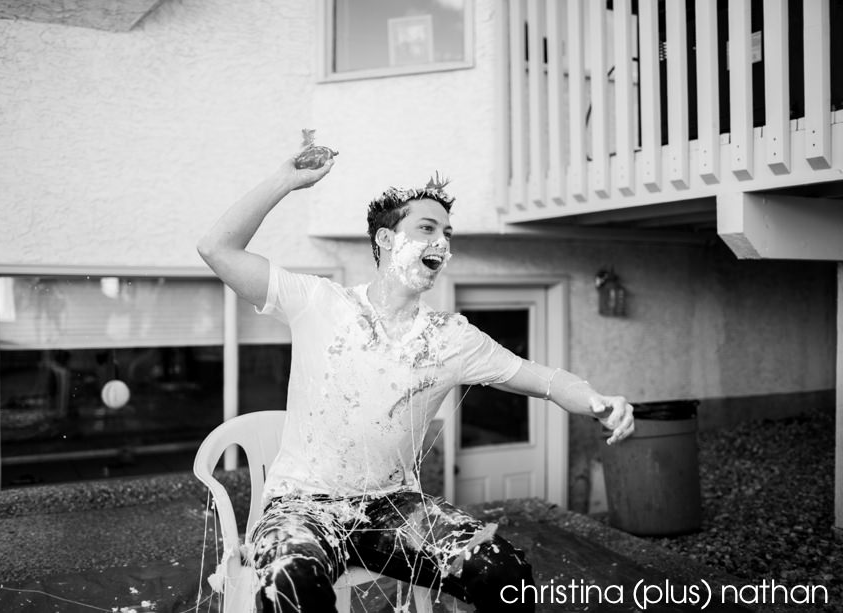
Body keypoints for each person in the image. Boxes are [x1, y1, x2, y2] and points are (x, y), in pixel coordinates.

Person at [197, 152, 635, 613]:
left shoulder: (451, 337)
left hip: (392, 506)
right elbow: (217, 249)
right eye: (427, 228)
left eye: (447, 233)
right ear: (386, 239)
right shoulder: (318, 301)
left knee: (502, 569)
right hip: (302, 506)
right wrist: (283, 181)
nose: (442, 242)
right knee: (291, 583)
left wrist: (597, 401)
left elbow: (541, 379)